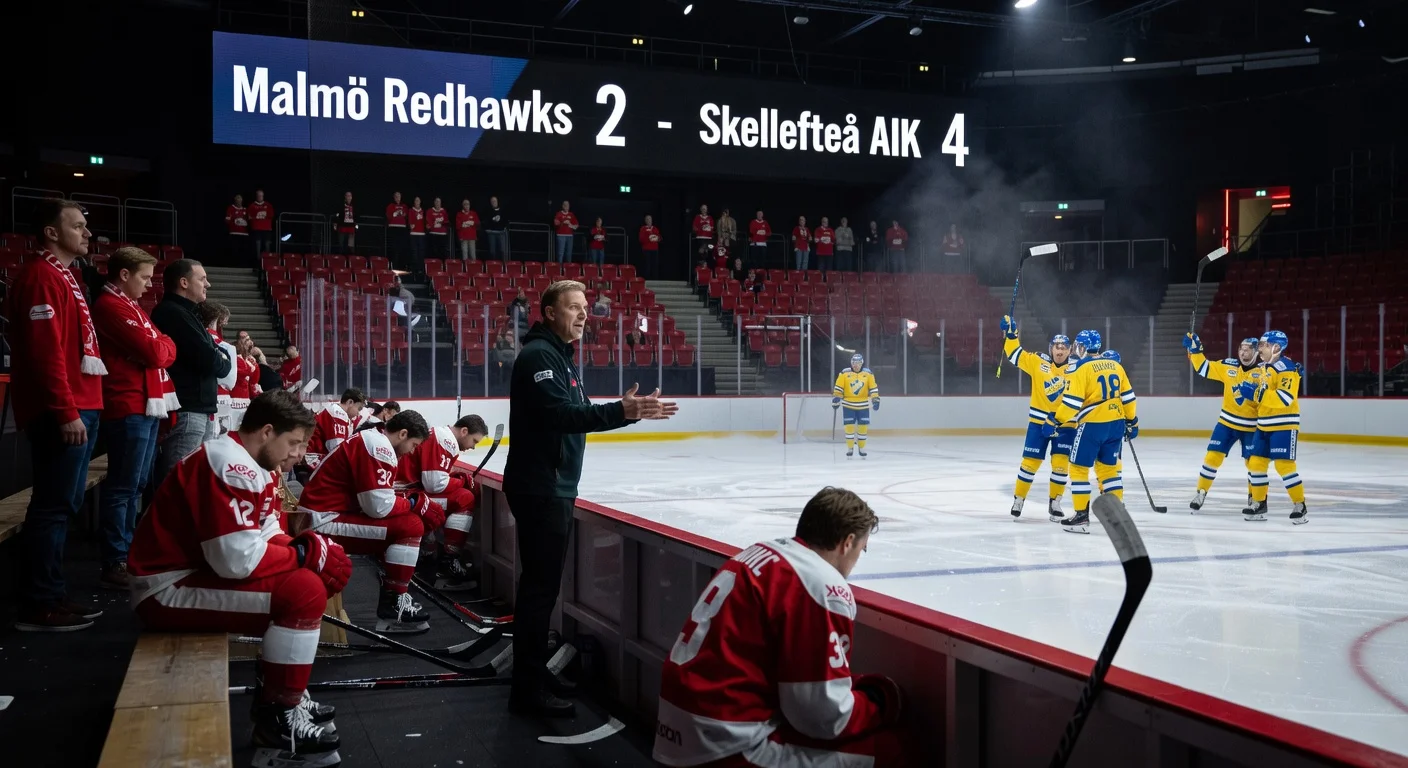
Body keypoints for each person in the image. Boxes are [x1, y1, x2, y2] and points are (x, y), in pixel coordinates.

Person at [128, 390, 347, 761]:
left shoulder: (249, 461)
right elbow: (235, 561)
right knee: (304, 590)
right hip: (165, 588)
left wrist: (304, 550)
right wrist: (302, 555)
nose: (297, 453)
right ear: (266, 431)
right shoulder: (232, 464)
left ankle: (280, 690)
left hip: (191, 574)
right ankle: (277, 719)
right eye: (293, 442)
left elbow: (263, 533)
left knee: (307, 582)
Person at [503, 280, 677, 716]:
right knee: (539, 593)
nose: (583, 315)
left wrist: (626, 413)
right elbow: (560, 416)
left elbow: (573, 415)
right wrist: (622, 411)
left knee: (541, 590)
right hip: (541, 488)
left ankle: (533, 674)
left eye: (584, 308)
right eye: (573, 308)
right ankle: (526, 690)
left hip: (550, 486)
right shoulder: (540, 356)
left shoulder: (560, 358)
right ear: (548, 312)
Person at [653, 487, 905, 767]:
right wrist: (876, 703)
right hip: (725, 744)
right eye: (862, 548)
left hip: (678, 728)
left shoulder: (759, 552)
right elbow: (821, 717)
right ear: (847, 542)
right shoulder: (821, 584)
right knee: (890, 749)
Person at [6, 199, 108, 631]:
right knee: (51, 508)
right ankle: (39, 603)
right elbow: (45, 354)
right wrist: (67, 411)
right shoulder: (41, 277)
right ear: (51, 232)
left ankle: (53, 593)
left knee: (60, 506)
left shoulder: (64, 276)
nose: (88, 233)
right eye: (78, 226)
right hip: (65, 411)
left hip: (80, 405)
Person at [297, 410, 441, 633]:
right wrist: (413, 503)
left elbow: (375, 500)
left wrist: (408, 501)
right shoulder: (380, 447)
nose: (413, 451)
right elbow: (378, 507)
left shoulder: (373, 439)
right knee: (411, 525)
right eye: (413, 444)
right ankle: (394, 604)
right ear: (403, 434)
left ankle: (395, 594)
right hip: (322, 519)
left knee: (403, 522)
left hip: (322, 513)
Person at [93, 246, 180, 591]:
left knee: (136, 486)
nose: (149, 285)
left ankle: (126, 553)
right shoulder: (111, 305)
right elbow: (155, 351)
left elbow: (161, 349)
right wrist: (163, 342)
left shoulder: (131, 306)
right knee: (123, 487)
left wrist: (162, 343)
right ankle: (115, 558)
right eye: (144, 277)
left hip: (143, 404)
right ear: (124, 275)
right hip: (127, 404)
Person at [152, 259, 235, 487]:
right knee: (177, 482)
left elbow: (223, 364)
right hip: (187, 411)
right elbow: (211, 359)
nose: (207, 284)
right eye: (202, 279)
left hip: (199, 411)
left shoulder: (189, 314)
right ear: (184, 282)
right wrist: (219, 358)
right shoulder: (173, 313)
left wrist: (219, 358)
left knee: (194, 482)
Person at [1049, 330, 1136, 534]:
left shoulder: (1082, 368)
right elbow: (1129, 398)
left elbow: (1071, 403)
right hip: (1116, 423)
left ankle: (1081, 517)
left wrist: (1055, 420)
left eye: (1078, 345)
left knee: (1079, 468)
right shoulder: (1116, 365)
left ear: (1084, 347)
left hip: (1092, 424)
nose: (1075, 349)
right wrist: (1133, 421)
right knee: (1109, 470)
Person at [397, 414, 488, 591]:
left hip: (404, 490)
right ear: (464, 431)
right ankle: (448, 561)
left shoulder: (438, 434)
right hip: (405, 494)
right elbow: (435, 485)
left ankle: (430, 556)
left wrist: (455, 478)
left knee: (460, 494)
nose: (473, 447)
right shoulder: (446, 441)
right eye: (474, 441)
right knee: (465, 498)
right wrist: (461, 481)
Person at [1001, 317, 1075, 521]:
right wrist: (1011, 335)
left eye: (1064, 348)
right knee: (1029, 463)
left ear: (1070, 350)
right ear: (1050, 348)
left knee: (1061, 465)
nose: (1060, 351)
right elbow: (1014, 355)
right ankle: (1019, 499)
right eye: (1056, 347)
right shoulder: (1037, 362)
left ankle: (1055, 502)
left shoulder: (1078, 369)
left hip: (1066, 425)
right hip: (1038, 423)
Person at [1183, 334, 1264, 513]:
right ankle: (1201, 492)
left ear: (1257, 352)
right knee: (1212, 458)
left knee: (1253, 464)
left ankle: (1254, 498)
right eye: (1241, 349)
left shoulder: (1264, 372)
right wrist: (1195, 350)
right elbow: (1203, 368)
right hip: (1226, 423)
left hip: (1251, 427)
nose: (1243, 353)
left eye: (1248, 349)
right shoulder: (1228, 366)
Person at [1242, 331, 1308, 524]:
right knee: (1255, 463)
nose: (1259, 348)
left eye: (1263, 345)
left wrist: (1256, 395)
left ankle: (1300, 505)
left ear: (1276, 347)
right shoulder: (1263, 368)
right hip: (1263, 424)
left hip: (1284, 424)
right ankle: (1259, 504)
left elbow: (1285, 398)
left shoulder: (1287, 368)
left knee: (1284, 465)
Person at [201, 301, 241, 435]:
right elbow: (230, 382)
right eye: (225, 321)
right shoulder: (227, 347)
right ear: (219, 320)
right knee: (217, 439)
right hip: (219, 397)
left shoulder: (193, 338)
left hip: (196, 398)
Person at [832, 354, 880, 458]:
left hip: (863, 406)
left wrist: (875, 399)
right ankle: (850, 448)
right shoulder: (844, 373)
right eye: (854, 363)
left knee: (863, 429)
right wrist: (836, 398)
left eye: (858, 363)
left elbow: (873, 388)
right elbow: (839, 387)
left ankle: (862, 448)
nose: (856, 365)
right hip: (848, 405)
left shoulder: (868, 374)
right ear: (851, 363)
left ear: (862, 363)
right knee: (849, 428)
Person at [305, 388, 366, 471]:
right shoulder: (337, 413)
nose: (358, 413)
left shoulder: (336, 411)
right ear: (350, 402)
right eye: (359, 408)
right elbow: (337, 449)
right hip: (314, 457)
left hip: (315, 456)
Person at [230, 336, 262, 430]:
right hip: (236, 398)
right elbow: (247, 374)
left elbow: (253, 379)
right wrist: (253, 366)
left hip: (243, 399)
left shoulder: (247, 361)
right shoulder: (238, 361)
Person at [386, 191, 409, 268]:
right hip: (393, 228)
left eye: (399, 196)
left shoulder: (404, 206)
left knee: (401, 248)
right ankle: (393, 265)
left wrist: (403, 214)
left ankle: (402, 266)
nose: (397, 198)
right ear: (394, 197)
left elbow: (406, 216)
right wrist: (395, 213)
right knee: (393, 248)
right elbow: (388, 216)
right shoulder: (390, 206)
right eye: (396, 196)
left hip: (402, 229)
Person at [249, 190, 274, 259]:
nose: (260, 197)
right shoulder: (252, 206)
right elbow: (250, 217)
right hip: (256, 229)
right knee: (257, 245)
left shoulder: (268, 205)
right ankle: (257, 262)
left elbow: (271, 215)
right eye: (258, 196)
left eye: (261, 196)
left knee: (267, 245)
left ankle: (267, 261)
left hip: (267, 229)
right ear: (256, 196)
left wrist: (260, 215)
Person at [225, 193, 249, 261]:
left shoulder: (245, 210)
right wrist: (235, 221)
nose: (239, 202)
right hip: (234, 233)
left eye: (240, 200)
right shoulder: (231, 208)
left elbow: (249, 220)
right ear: (235, 201)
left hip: (244, 234)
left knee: (243, 251)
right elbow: (227, 220)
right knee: (234, 250)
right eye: (237, 200)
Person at [485, 195, 509, 260]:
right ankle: (493, 265)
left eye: (495, 201)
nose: (494, 202)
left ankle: (503, 266)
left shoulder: (502, 210)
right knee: (492, 251)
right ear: (490, 203)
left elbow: (506, 220)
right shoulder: (488, 211)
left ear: (497, 201)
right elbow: (486, 222)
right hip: (491, 233)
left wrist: (503, 227)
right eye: (492, 201)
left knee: (502, 250)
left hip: (501, 233)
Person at [638, 215, 661, 280]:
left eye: (650, 219)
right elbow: (641, 239)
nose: (649, 221)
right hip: (646, 249)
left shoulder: (655, 229)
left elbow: (659, 238)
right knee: (647, 265)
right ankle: (647, 279)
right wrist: (650, 238)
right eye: (647, 219)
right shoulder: (643, 229)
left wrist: (654, 238)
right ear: (645, 221)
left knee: (655, 265)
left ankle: (655, 279)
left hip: (655, 249)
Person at [427, 197, 451, 261]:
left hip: (442, 235)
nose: (437, 203)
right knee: (434, 252)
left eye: (439, 202)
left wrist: (440, 223)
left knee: (443, 252)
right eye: (436, 201)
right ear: (434, 203)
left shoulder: (444, 211)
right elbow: (428, 222)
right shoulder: (430, 211)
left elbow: (446, 222)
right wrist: (435, 224)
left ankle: (443, 267)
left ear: (441, 203)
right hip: (433, 234)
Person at [407, 195, 426, 272]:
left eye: (418, 200)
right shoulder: (411, 211)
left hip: (421, 234)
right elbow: (410, 222)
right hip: (413, 234)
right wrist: (412, 224)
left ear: (420, 202)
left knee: (421, 252)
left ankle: (420, 269)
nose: (417, 202)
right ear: (414, 202)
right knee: (414, 252)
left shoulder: (423, 211)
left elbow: (425, 222)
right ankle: (414, 269)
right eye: (416, 200)